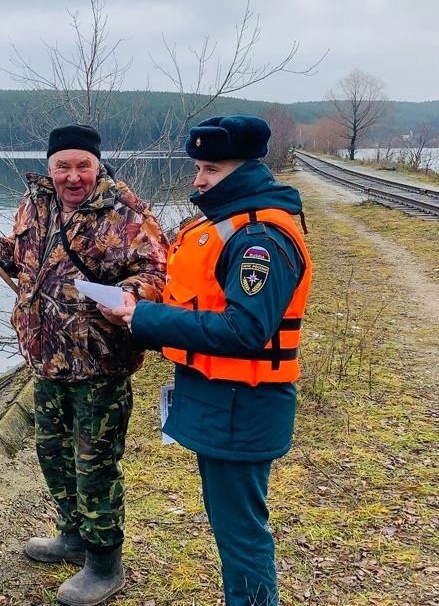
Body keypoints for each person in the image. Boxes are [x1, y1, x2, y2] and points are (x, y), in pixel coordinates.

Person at [101, 115, 313, 606]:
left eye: (210, 169)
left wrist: (144, 319)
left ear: (243, 171)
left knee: (241, 534)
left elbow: (246, 331)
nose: (197, 180)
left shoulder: (260, 237)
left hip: (244, 405)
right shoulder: (230, 224)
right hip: (224, 401)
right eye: (198, 167)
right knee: (231, 525)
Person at [0, 124, 168, 606]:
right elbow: (31, 258)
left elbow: (159, 272)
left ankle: (105, 564)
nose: (73, 176)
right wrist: (2, 253)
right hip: (45, 358)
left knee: (95, 466)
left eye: (83, 166)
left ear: (97, 166)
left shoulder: (126, 211)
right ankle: (73, 535)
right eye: (64, 166)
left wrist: (130, 294)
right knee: (53, 456)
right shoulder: (34, 204)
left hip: (100, 364)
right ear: (51, 167)